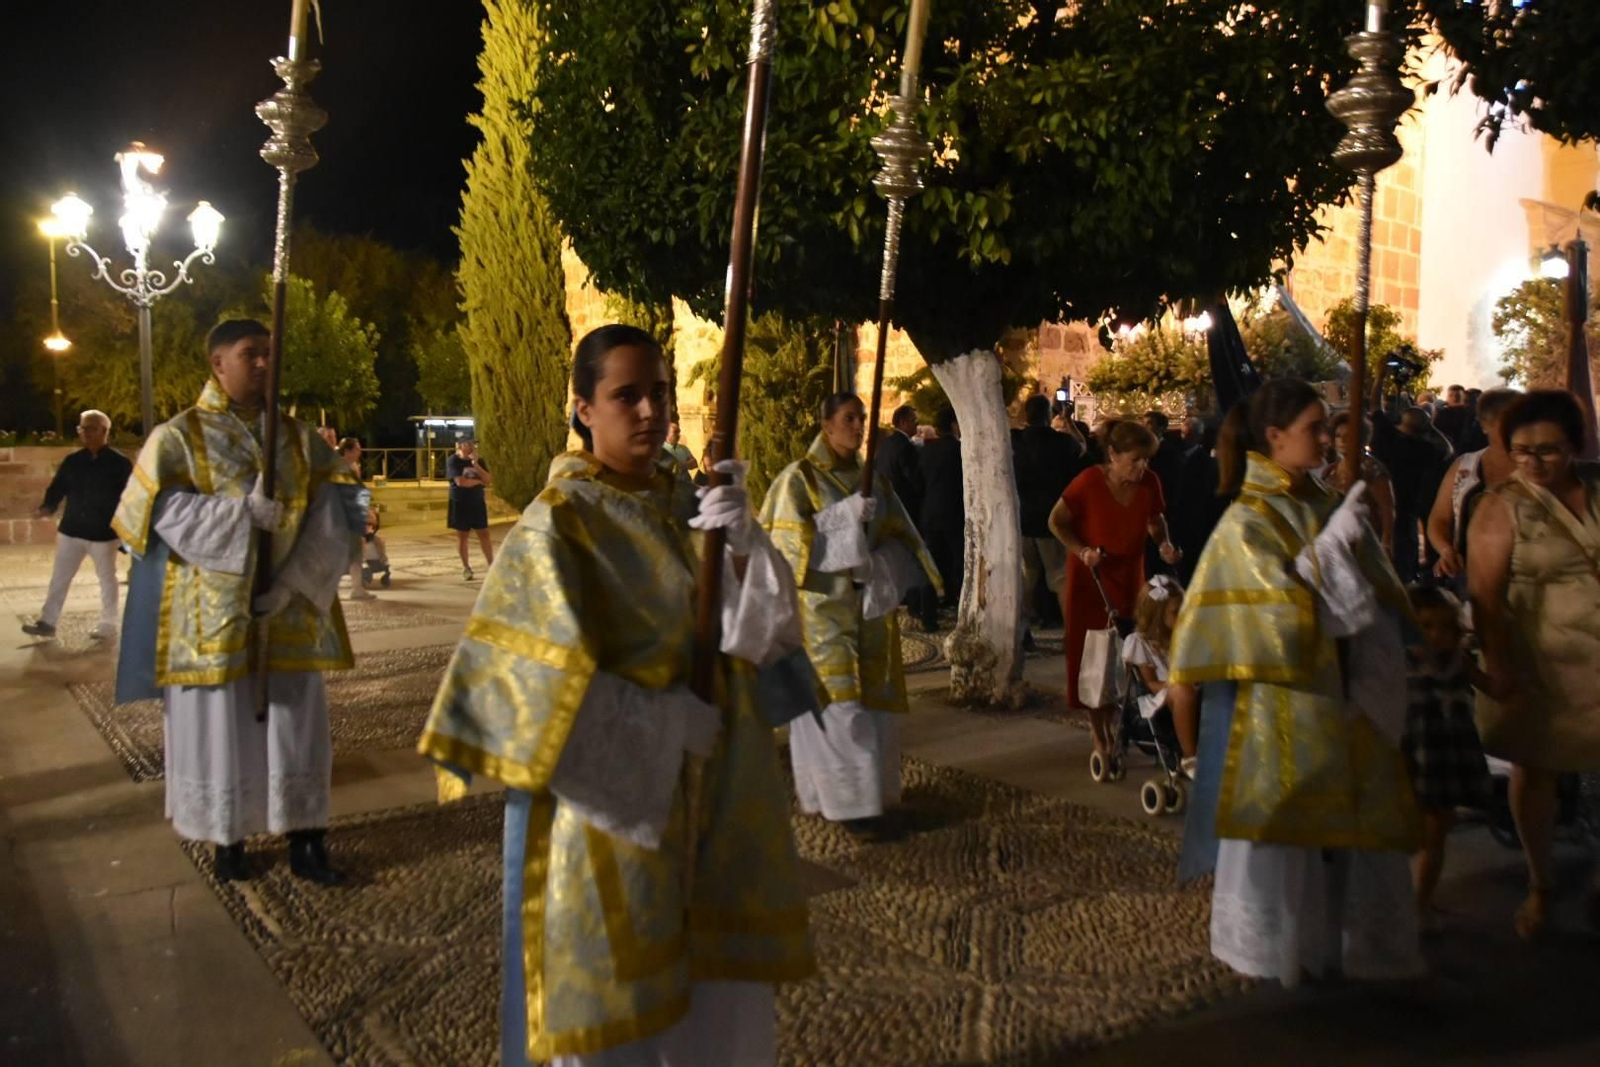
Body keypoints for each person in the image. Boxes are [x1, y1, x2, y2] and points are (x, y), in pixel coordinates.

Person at [419, 325, 815, 1065]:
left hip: (724, 806)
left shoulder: (692, 504)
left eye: (658, 393)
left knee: (718, 1016)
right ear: (582, 407)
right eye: (624, 394)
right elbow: (533, 702)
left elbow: (767, 639)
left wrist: (742, 546)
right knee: (627, 1027)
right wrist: (666, 727)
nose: (647, 411)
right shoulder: (559, 525)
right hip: (613, 823)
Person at [1166, 377, 1422, 987]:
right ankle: (1278, 949)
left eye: (1331, 427)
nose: (1328, 439)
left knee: (1359, 831)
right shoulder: (1247, 520)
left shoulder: (1325, 502)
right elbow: (1268, 622)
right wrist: (1324, 557)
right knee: (1286, 830)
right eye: (1315, 429)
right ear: (1275, 438)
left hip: (1352, 695)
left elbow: (1375, 595)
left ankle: (1346, 945)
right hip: (1288, 705)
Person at [111, 319, 365, 885]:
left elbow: (339, 511)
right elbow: (154, 515)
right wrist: (239, 516)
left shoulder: (300, 439)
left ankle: (306, 838)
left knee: (295, 727)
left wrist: (295, 582)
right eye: (250, 354)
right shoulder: (177, 437)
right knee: (218, 729)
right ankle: (228, 838)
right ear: (217, 364)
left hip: (289, 611)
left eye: (269, 354)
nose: (263, 364)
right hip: (210, 617)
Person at [762, 392, 940, 840]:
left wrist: (879, 567)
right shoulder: (798, 480)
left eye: (862, 418)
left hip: (868, 610)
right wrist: (842, 519)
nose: (859, 427)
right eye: (849, 418)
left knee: (871, 708)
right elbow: (787, 549)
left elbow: (901, 534)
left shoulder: (874, 482)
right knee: (839, 708)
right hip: (823, 615)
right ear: (826, 425)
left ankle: (863, 794)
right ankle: (849, 805)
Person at [1467, 388, 1600, 939]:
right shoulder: (1500, 505)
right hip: (1538, 658)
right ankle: (1541, 881)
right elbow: (1485, 598)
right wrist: (1499, 665)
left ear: (1573, 446)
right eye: (1522, 450)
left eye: (1548, 450)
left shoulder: (1596, 488)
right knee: (1536, 768)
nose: (1535, 462)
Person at [1049, 420, 1181, 764]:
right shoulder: (1089, 482)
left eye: (1146, 460)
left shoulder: (1149, 483)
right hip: (1092, 576)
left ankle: (1128, 723)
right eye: (1135, 460)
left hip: (1130, 574)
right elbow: (1057, 521)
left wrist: (1164, 544)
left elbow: (1156, 520)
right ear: (1112, 455)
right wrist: (1081, 550)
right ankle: (1099, 732)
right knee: (1092, 656)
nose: (1143, 467)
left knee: (1131, 652)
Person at [1402, 585, 1492, 924]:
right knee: (1417, 830)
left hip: (1449, 756)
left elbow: (1495, 687)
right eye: (1426, 626)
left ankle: (1421, 901)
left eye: (1444, 626)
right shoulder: (1402, 662)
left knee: (1439, 828)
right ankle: (1407, 899)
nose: (1436, 635)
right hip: (1416, 755)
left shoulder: (1460, 660)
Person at [22, 409, 132, 640]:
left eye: (90, 428)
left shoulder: (119, 463)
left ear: (104, 431)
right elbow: (58, 487)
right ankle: (47, 622)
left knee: (107, 579)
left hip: (103, 533)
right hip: (72, 530)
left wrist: (127, 532)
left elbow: (130, 498)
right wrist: (47, 507)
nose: (85, 433)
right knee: (59, 578)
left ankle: (108, 624)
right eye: (82, 428)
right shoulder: (73, 461)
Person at [1426, 387, 1520, 586]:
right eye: (1506, 423)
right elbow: (1439, 518)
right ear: (1486, 425)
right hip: (1468, 575)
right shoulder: (1465, 465)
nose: (1516, 430)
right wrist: (1446, 550)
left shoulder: (1534, 466)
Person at [1014, 394, 1084, 639]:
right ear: (1047, 415)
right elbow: (1082, 448)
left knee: (1026, 576)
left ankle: (1021, 630)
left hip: (1022, 518)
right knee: (1059, 576)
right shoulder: (1062, 442)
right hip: (1051, 519)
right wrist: (1070, 424)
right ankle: (1070, 631)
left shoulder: (1016, 440)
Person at [1320, 412, 1397, 557]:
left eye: (1348, 435)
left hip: (1365, 541)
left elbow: (1387, 508)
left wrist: (1386, 542)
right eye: (1338, 435)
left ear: (1361, 438)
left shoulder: (1372, 469)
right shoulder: (1331, 470)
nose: (1342, 440)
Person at [916, 405, 964, 630]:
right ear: (954, 425)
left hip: (931, 515)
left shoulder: (927, 451)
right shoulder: (960, 451)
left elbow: (919, 481)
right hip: (955, 516)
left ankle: (929, 617)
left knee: (932, 567)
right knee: (962, 567)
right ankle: (964, 616)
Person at [1122, 575, 1185, 747]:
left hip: (1187, 684)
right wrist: (1174, 684)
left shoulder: (1183, 636)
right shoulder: (1140, 642)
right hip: (1159, 695)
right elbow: (1149, 683)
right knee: (1182, 692)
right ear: (1158, 616)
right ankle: (1189, 754)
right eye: (1175, 612)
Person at [446, 436, 494, 580]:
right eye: (468, 444)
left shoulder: (479, 460)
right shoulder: (453, 461)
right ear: (460, 446)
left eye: (473, 443)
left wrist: (476, 465)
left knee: (484, 534)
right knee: (462, 536)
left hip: (477, 502)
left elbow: (488, 480)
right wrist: (478, 481)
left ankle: (492, 565)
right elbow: (460, 482)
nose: (472, 446)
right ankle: (466, 567)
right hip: (460, 503)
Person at [337, 437, 376, 600]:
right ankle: (356, 588)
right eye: (357, 449)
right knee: (351, 552)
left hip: (353, 515)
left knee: (355, 551)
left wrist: (367, 510)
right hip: (345, 516)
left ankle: (357, 587)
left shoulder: (353, 466)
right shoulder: (340, 468)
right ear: (347, 451)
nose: (360, 451)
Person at [878, 403, 923, 523]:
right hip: (906, 507)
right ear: (903, 422)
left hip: (888, 504)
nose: (917, 424)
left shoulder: (886, 443)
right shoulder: (906, 446)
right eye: (914, 420)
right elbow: (914, 478)